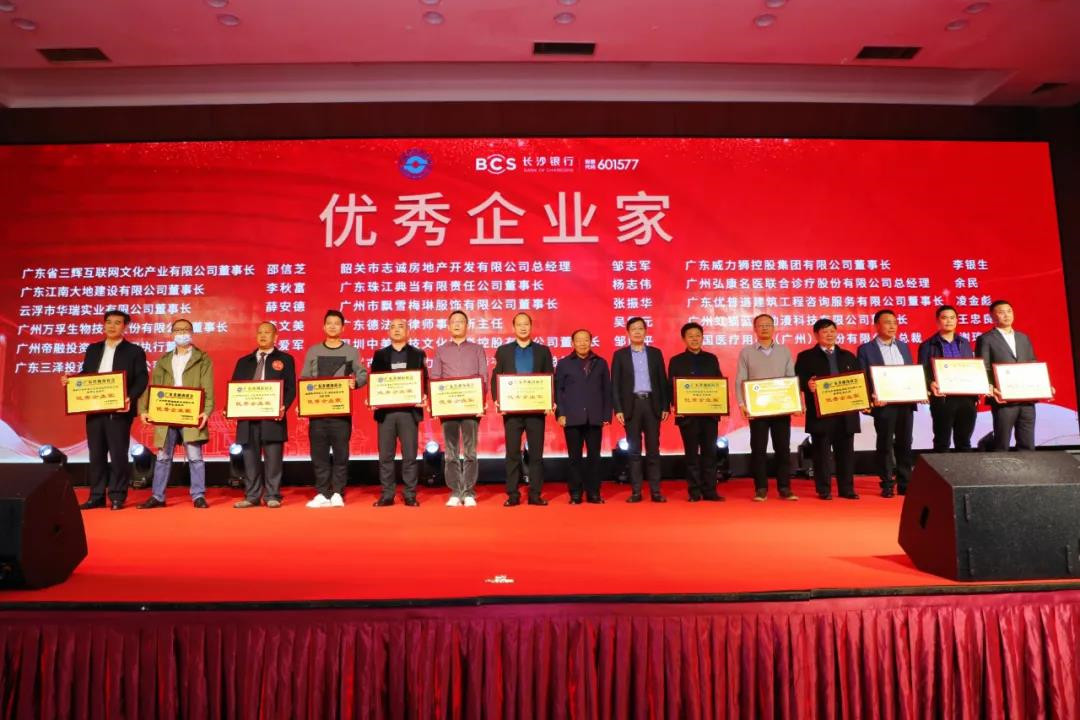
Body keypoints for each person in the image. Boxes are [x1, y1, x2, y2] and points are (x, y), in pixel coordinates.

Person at [62, 309, 149, 511]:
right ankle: (97, 496)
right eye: (108, 322)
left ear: (125, 327)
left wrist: (130, 397)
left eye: (117, 323)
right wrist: (71, 381)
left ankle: (117, 496)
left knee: (118, 454)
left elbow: (141, 378)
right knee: (96, 454)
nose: (112, 326)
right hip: (94, 409)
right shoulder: (93, 349)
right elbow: (86, 374)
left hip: (119, 411)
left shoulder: (134, 351)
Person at [136, 318, 215, 509]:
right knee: (163, 457)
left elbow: (208, 388)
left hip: (191, 412)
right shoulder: (164, 360)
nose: (182, 333)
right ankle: (158, 496)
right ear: (172, 334)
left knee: (195, 457)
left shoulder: (202, 358)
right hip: (166, 412)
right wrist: (143, 409)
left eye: (185, 330)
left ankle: (198, 495)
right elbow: (153, 387)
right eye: (178, 330)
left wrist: (206, 411)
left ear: (192, 333)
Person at [300, 310, 367, 508]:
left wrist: (356, 382)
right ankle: (322, 492)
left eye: (336, 323)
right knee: (319, 454)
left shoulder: (351, 351)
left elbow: (362, 374)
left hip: (340, 412)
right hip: (317, 413)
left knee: (340, 454)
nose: (332, 326)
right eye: (329, 323)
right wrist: (304, 403)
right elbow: (305, 379)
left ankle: (338, 492)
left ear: (343, 328)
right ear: (323, 327)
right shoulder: (313, 351)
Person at [492, 312, 555, 506]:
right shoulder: (504, 351)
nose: (523, 327)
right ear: (513, 327)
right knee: (512, 454)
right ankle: (513, 494)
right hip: (512, 412)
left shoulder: (543, 351)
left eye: (526, 324)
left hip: (536, 411)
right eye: (519, 324)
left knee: (536, 455)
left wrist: (550, 401)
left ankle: (535, 494)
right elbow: (496, 377)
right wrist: (497, 400)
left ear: (531, 326)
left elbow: (550, 377)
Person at [795, 318, 862, 500]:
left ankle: (847, 489)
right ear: (816, 335)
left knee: (846, 454)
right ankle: (824, 489)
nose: (830, 334)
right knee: (821, 455)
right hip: (820, 414)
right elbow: (797, 381)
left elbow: (859, 382)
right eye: (825, 332)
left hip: (846, 413)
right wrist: (807, 385)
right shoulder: (806, 357)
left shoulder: (848, 356)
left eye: (832, 331)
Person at [232, 322, 297, 509]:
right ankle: (252, 496)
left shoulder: (285, 359)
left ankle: (272, 495)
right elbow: (235, 388)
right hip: (248, 418)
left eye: (267, 332)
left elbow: (291, 388)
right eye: (260, 332)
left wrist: (283, 407)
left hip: (273, 417)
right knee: (250, 458)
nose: (263, 335)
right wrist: (232, 407)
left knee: (273, 459)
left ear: (275, 337)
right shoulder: (244, 361)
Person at [735, 313, 798, 501]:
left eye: (768, 325)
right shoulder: (746, 352)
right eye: (761, 325)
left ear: (774, 328)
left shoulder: (784, 351)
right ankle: (761, 488)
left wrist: (795, 402)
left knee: (783, 449)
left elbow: (791, 378)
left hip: (781, 408)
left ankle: (784, 487)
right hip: (758, 409)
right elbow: (740, 379)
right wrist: (742, 403)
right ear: (755, 329)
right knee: (758, 449)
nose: (764, 328)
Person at [430, 310, 488, 507]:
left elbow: (483, 376)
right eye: (453, 322)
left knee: (471, 452)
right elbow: (435, 377)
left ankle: (469, 492)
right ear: (448, 326)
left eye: (460, 321)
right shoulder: (441, 350)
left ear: (467, 325)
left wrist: (482, 401)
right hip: (448, 408)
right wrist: (436, 404)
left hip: (472, 406)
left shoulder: (477, 349)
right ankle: (455, 491)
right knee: (451, 453)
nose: (457, 324)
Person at [857, 309, 917, 497]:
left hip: (905, 403)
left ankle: (904, 482)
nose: (892, 326)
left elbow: (910, 374)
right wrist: (870, 398)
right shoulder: (866, 349)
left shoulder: (903, 346)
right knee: (885, 444)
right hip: (883, 404)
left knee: (905, 443)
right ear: (877, 325)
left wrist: (918, 391)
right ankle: (887, 483)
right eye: (887, 322)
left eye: (894, 322)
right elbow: (863, 377)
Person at [611, 316, 670, 503]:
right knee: (634, 451)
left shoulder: (655, 353)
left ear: (646, 331)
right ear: (627, 333)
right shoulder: (620, 355)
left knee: (653, 450)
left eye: (640, 328)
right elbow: (615, 385)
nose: (637, 332)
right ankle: (636, 491)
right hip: (632, 406)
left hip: (652, 404)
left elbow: (662, 381)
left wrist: (665, 405)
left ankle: (656, 491)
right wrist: (618, 409)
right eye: (633, 329)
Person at [370, 318, 427, 507]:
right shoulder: (380, 355)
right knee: (385, 456)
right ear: (388, 332)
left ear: (408, 331)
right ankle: (387, 494)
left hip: (408, 413)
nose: (396, 330)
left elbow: (424, 380)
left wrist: (424, 395)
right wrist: (372, 398)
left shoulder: (418, 354)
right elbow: (374, 381)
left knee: (410, 455)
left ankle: (410, 494)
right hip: (386, 413)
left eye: (401, 326)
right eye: (392, 327)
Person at [667, 322, 724, 502]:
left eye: (698, 335)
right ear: (684, 339)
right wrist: (675, 405)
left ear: (702, 337)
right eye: (690, 336)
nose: (694, 339)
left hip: (709, 416)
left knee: (710, 454)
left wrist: (720, 404)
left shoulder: (711, 359)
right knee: (691, 456)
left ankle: (710, 491)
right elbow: (671, 387)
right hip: (687, 417)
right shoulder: (676, 361)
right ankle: (694, 492)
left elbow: (719, 384)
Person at [975, 300, 1042, 450]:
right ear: (992, 316)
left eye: (1009, 311)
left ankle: (1027, 465)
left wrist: (1043, 385)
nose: (1006, 315)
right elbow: (983, 367)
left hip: (1027, 398)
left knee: (1027, 442)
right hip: (1003, 399)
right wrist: (990, 387)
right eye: (1001, 312)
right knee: (1002, 442)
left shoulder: (1023, 337)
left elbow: (1032, 363)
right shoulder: (986, 339)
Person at [555, 329, 611, 504]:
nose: (582, 343)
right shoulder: (564, 364)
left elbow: (607, 390)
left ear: (591, 342)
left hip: (594, 417)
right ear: (572, 343)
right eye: (578, 340)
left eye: (586, 340)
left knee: (595, 457)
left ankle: (594, 493)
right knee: (574, 458)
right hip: (572, 417)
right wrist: (560, 413)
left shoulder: (600, 363)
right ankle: (575, 493)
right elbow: (558, 391)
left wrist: (606, 414)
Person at [918, 305, 978, 451]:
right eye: (944, 318)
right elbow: (922, 371)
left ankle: (963, 466)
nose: (949, 321)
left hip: (966, 398)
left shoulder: (964, 343)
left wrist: (976, 392)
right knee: (942, 441)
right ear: (937, 321)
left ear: (957, 320)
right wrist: (930, 383)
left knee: (964, 441)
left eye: (952, 318)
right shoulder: (927, 345)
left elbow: (972, 369)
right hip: (943, 398)